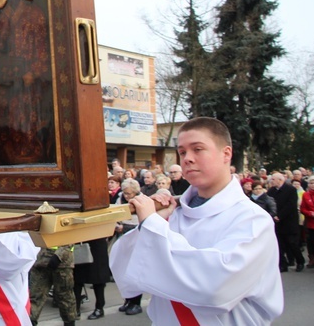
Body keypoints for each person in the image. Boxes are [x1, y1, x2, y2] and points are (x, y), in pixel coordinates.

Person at [110, 117, 283, 324]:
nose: (187, 159)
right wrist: (152, 223)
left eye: (198, 149)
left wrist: (153, 226)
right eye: (182, 152)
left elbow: (215, 288)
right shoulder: (172, 214)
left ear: (226, 153)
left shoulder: (252, 219)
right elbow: (126, 272)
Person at [112, 178, 142, 316]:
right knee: (122, 269)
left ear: (135, 192)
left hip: (136, 237)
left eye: (129, 193)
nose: (126, 195)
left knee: (133, 271)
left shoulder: (142, 201)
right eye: (125, 193)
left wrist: (125, 226)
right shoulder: (119, 199)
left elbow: (143, 220)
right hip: (122, 236)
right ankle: (128, 300)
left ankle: (136, 302)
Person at [29, 244, 77, 326]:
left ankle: (69, 322)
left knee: (65, 298)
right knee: (35, 296)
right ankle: (30, 321)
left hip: (61, 264)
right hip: (41, 261)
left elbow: (71, 236)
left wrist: (59, 256)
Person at [267, 172, 305, 272]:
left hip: (289, 221)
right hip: (277, 222)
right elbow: (269, 203)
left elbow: (291, 205)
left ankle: (300, 261)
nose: (271, 181)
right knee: (279, 244)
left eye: (273, 179)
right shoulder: (271, 191)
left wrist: (280, 216)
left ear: (280, 180)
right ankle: (283, 264)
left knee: (292, 244)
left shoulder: (290, 190)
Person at [73, 238, 110, 320]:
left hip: (97, 243)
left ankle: (99, 308)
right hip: (81, 241)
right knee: (77, 277)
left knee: (97, 276)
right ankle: (75, 309)